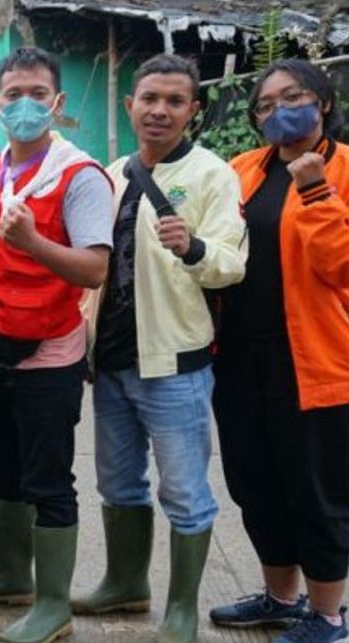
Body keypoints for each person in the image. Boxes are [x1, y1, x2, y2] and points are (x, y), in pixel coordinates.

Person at [70, 54, 246, 643]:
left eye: (174, 101)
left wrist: (195, 248)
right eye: (150, 98)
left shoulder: (212, 175)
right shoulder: (112, 171)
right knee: (118, 483)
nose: (159, 110)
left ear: (193, 111)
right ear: (130, 105)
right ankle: (126, 584)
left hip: (174, 365)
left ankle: (180, 609)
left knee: (185, 492)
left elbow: (232, 265)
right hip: (113, 361)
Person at [0, 47, 113, 643]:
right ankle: (9, 573)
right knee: (1, 470)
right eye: (12, 95)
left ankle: (53, 604)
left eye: (37, 94)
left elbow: (93, 271)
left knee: (48, 479)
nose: (24, 106)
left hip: (50, 353)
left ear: (57, 104)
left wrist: (34, 241)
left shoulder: (79, 175)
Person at [208, 58, 349, 643]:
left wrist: (314, 187)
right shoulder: (243, 168)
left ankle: (328, 616)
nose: (278, 111)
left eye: (292, 97)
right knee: (255, 482)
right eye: (264, 105)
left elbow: (341, 266)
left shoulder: (343, 171)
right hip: (240, 357)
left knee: (316, 490)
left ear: (323, 103)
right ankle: (281, 598)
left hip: (314, 359)